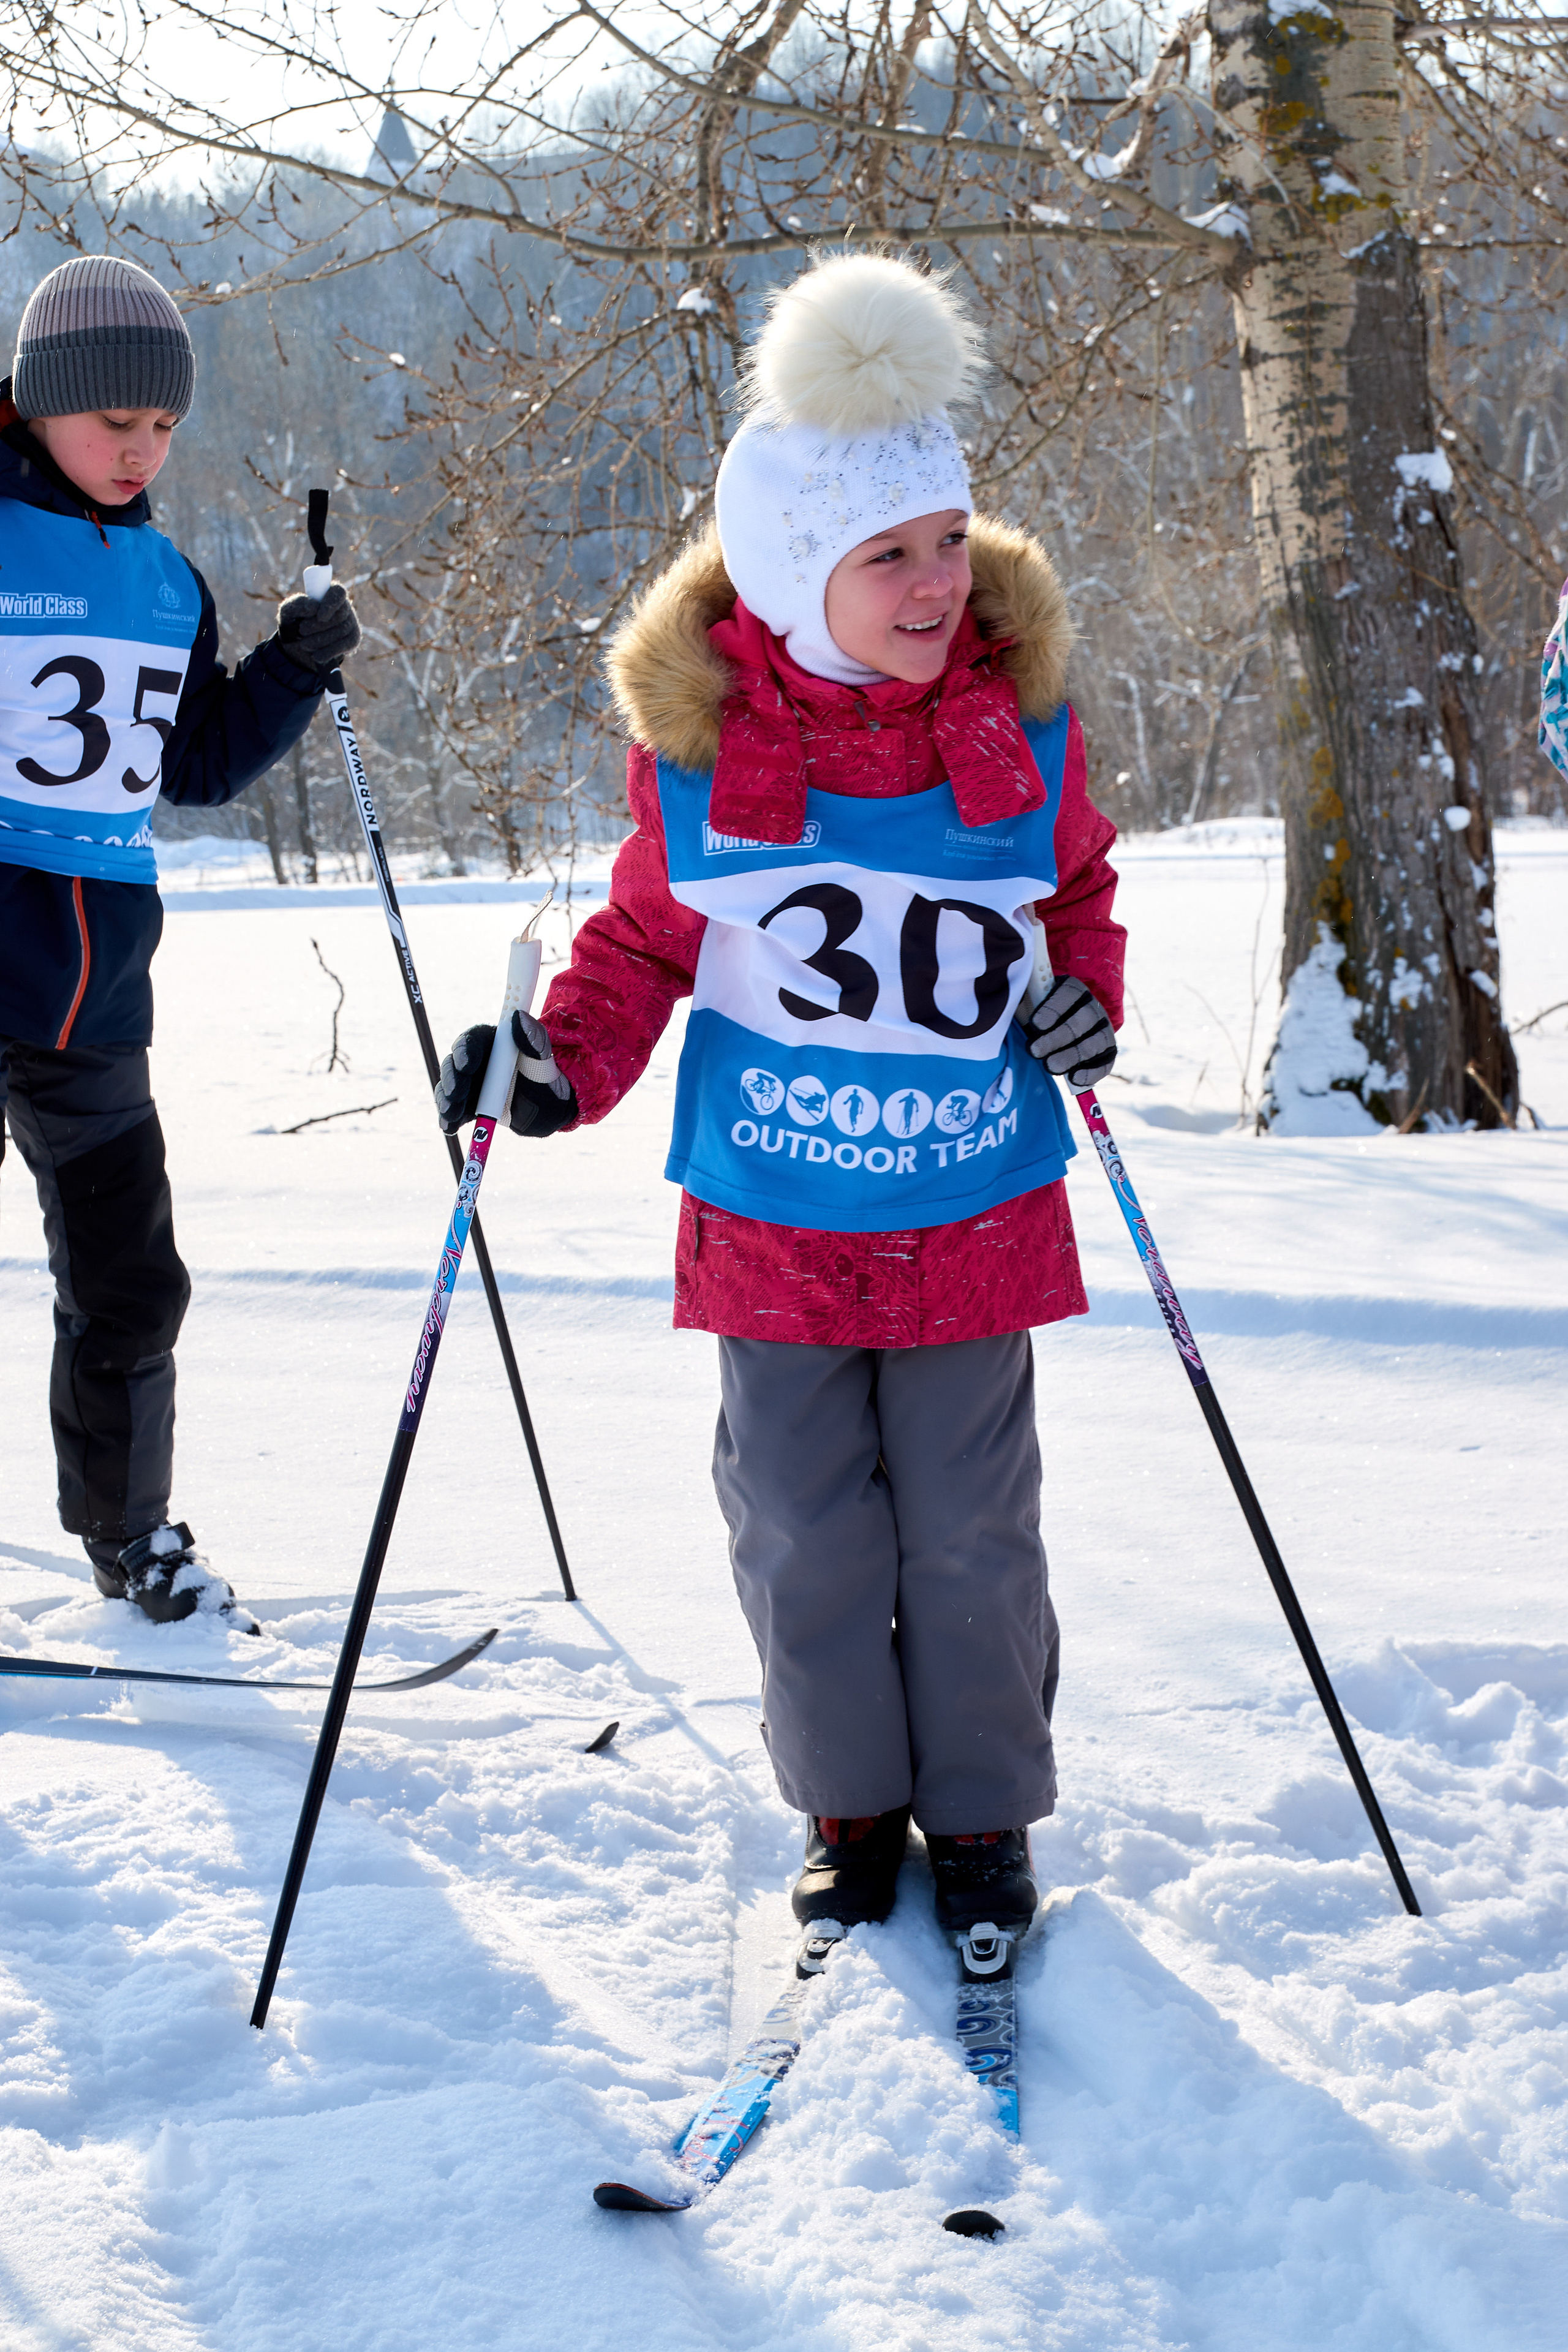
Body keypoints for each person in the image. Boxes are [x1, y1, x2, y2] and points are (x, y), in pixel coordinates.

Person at [437, 255, 1125, 1940]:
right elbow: (640, 948)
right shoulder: (710, 763)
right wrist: (555, 1066)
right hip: (777, 1222)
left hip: (967, 1205)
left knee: (972, 1539)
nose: (932, 583)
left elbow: (1077, 894)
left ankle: (981, 1822)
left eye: (950, 543)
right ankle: (850, 1807)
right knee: (806, 1541)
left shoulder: (1018, 731)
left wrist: (1082, 1004)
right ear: (792, 576)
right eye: (886, 555)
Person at [0, 255, 361, 1628]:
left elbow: (192, 766)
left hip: (95, 989)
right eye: (114, 425)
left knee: (132, 1281)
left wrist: (290, 666)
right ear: (40, 407)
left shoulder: (162, 579)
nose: (139, 450)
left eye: (162, 428)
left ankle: (129, 1535)